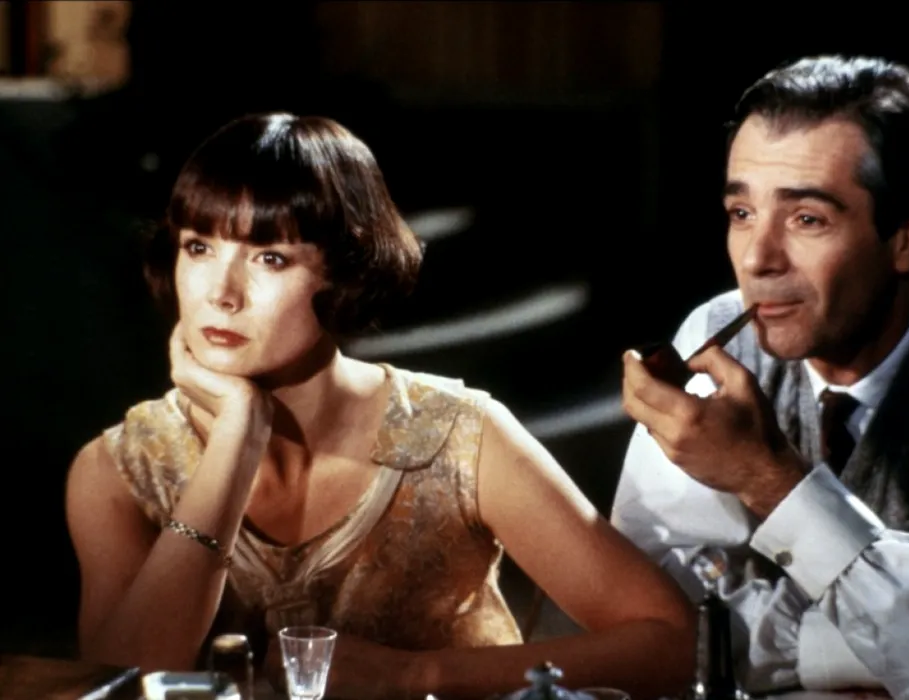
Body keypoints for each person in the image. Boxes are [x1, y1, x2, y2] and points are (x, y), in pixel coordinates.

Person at [65, 112, 695, 700]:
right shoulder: (118, 471)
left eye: (270, 258)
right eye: (199, 247)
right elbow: (113, 689)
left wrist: (416, 674)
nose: (221, 294)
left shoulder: (457, 436)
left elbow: (672, 643)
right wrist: (235, 442)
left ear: (346, 273)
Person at [610, 54, 909, 699]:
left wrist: (768, 478)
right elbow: (651, 616)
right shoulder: (714, 336)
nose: (758, 260)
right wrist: (882, 632)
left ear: (908, 236)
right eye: (741, 213)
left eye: (807, 219)